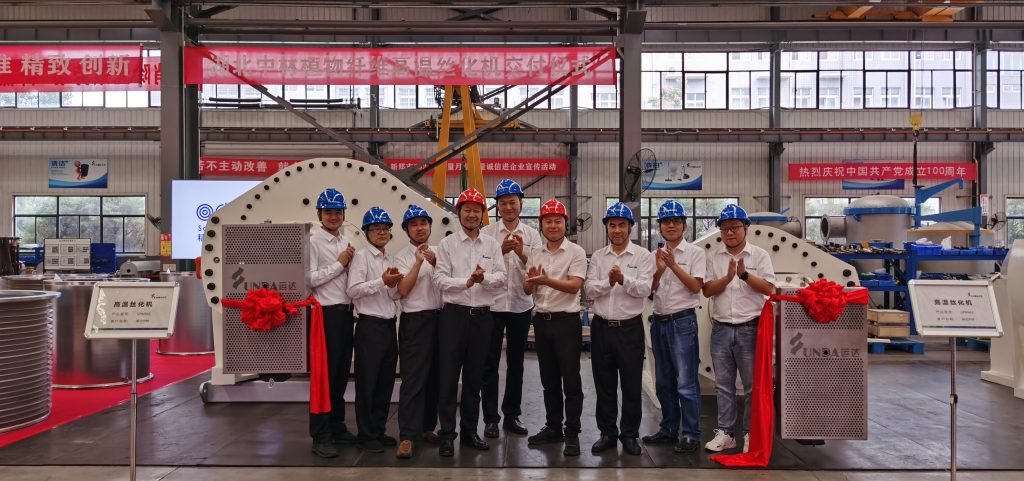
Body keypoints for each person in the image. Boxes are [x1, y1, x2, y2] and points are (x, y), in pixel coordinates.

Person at [432, 188, 508, 457]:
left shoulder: (492, 245)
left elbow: (502, 277)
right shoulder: (447, 245)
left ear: (482, 214)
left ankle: (469, 432)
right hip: (454, 316)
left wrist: (483, 279)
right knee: (448, 377)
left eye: (477, 210)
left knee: (475, 378)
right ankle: (446, 434)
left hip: (483, 318)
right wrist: (466, 282)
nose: (472, 214)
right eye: (467, 210)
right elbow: (439, 279)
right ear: (459, 212)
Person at [701, 204, 776, 454]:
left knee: (752, 386)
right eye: (725, 228)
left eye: (735, 227)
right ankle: (726, 434)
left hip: (750, 329)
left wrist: (744, 276)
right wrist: (727, 278)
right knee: (723, 385)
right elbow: (707, 291)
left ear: (746, 228)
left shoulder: (759, 256)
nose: (730, 232)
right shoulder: (714, 256)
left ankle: (750, 434)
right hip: (721, 329)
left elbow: (769, 289)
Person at [583, 202, 654, 456]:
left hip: (629, 329)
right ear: (606, 228)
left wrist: (623, 279)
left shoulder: (643, 256)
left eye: (621, 225)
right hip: (602, 327)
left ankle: (630, 435)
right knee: (604, 384)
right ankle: (607, 433)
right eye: (612, 225)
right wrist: (608, 282)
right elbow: (589, 289)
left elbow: (645, 289)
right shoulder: (598, 256)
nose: (616, 230)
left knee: (631, 385)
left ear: (630, 227)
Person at [522, 199, 588, 456]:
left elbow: (574, 286)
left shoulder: (576, 252)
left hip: (566, 323)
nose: (552, 226)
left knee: (571, 380)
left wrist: (546, 280)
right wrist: (532, 282)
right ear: (541, 225)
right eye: (548, 221)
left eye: (557, 221)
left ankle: (572, 433)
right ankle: (553, 428)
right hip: (541, 321)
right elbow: (527, 289)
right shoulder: (535, 254)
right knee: (549, 380)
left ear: (565, 224)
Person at [641, 200, 706, 454]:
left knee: (686, 384)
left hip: (682, 322)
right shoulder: (654, 255)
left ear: (684, 226)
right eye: (666, 222)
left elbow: (696, 286)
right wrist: (659, 271)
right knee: (663, 382)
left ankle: (691, 434)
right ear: (660, 227)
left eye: (676, 221)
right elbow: (649, 291)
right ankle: (668, 430)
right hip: (659, 322)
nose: (671, 226)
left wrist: (673, 266)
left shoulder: (695, 253)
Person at [480, 179, 541, 439]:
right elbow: (480, 270)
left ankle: (512, 415)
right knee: (489, 364)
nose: (508, 207)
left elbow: (538, 268)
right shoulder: (487, 234)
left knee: (516, 364)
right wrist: (501, 252)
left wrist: (521, 252)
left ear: (520, 204)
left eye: (512, 202)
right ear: (497, 206)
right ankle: (490, 419)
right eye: (503, 203)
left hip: (520, 305)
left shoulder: (532, 235)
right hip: (492, 305)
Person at [347, 207, 403, 453]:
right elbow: (353, 290)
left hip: (389, 326)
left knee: (385, 382)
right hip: (369, 326)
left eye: (385, 228)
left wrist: (394, 285)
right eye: (376, 228)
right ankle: (366, 435)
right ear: (367, 232)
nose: (381, 232)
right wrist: (382, 281)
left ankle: (378, 430)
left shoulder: (390, 258)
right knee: (367, 383)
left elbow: (393, 295)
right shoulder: (362, 257)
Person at [307, 187, 357, 459]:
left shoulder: (345, 241)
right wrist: (339, 264)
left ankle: (337, 426)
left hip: (345, 315)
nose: (334, 216)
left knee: (339, 375)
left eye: (338, 211)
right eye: (328, 212)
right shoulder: (313, 242)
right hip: (325, 316)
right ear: (320, 214)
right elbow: (309, 279)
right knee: (324, 378)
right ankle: (321, 435)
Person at [393, 205, 443, 459]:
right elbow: (402, 290)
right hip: (415, 321)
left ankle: (426, 427)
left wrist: (435, 262)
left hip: (441, 319)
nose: (420, 228)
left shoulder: (441, 252)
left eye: (424, 223)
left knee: (435, 377)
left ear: (430, 226)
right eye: (414, 224)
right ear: (406, 230)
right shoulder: (401, 257)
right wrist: (418, 262)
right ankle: (407, 436)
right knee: (413, 379)